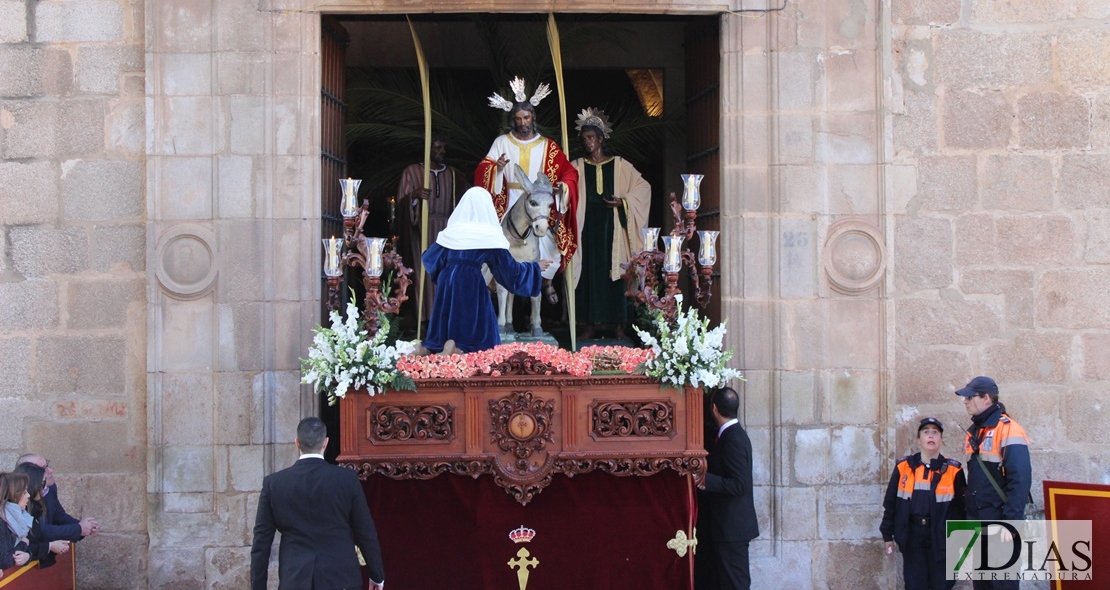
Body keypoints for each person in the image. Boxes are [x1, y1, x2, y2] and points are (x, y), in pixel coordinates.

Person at [475, 76, 579, 306]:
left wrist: (563, 187)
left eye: (527, 117)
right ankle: (491, 284)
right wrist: (496, 169)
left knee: (550, 244)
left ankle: (545, 280)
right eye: (519, 118)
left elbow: (569, 172)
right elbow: (483, 168)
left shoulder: (548, 145)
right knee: (491, 241)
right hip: (507, 199)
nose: (523, 122)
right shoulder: (502, 142)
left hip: (538, 203)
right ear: (513, 120)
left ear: (533, 118)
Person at [250, 417, 385, 590]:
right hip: (340, 579)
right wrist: (377, 575)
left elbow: (261, 543)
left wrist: (258, 586)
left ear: (297, 443)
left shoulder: (274, 484)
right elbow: (365, 532)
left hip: (296, 580)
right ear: (326, 443)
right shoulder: (347, 480)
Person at [420, 187, 549, 354]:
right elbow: (509, 270)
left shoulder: (451, 232)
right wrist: (534, 267)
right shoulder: (489, 235)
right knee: (473, 323)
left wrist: (448, 274)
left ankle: (440, 345)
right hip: (470, 279)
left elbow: (430, 258)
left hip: (447, 279)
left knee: (448, 312)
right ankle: (459, 346)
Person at [569, 107, 651, 340]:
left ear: (601, 139)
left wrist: (623, 203)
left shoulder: (620, 164)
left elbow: (644, 188)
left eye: (591, 138)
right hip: (586, 228)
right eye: (584, 139)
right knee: (587, 274)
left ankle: (618, 324)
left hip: (614, 227)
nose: (587, 143)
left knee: (616, 272)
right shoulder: (576, 166)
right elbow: (565, 187)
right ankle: (589, 324)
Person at [955, 376, 1031, 590]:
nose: (965, 401)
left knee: (1002, 584)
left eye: (970, 397)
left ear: (986, 398)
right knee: (982, 584)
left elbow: (1020, 479)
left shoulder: (1008, 429)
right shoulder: (973, 432)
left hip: (1001, 525)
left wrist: (1012, 521)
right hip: (978, 524)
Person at [880, 417, 966, 590]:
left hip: (942, 537)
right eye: (926, 432)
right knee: (914, 584)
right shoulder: (903, 467)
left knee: (942, 585)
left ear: (941, 439)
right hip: (913, 536)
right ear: (919, 440)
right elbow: (891, 504)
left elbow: (961, 509)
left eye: (935, 432)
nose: (931, 436)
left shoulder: (954, 470)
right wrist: (887, 535)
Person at [396, 132, 470, 324]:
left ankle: (447, 317)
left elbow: (466, 200)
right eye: (437, 148)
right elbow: (401, 205)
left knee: (448, 273)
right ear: (427, 149)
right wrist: (414, 196)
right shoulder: (412, 172)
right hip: (421, 230)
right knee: (423, 274)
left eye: (443, 148)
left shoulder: (454, 175)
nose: (441, 151)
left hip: (447, 231)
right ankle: (424, 318)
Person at [697, 387, 759, 590]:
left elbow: (739, 484)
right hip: (726, 528)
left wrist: (706, 479)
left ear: (713, 408)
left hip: (732, 529)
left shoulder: (733, 438)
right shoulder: (731, 435)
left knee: (735, 585)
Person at [15, 454, 98, 542]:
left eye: (48, 465)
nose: (50, 470)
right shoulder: (21, 498)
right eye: (43, 469)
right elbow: (40, 530)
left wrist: (85, 526)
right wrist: (78, 529)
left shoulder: (50, 488)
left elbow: (59, 516)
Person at [5, 466, 68, 569]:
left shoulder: (33, 507)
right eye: (43, 483)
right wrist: (49, 546)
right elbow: (12, 551)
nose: (46, 487)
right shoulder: (12, 514)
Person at [0, 473, 32, 575]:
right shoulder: (2, 520)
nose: (28, 495)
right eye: (24, 492)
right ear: (14, 494)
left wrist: (28, 556)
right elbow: (6, 560)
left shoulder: (19, 516)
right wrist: (24, 544)